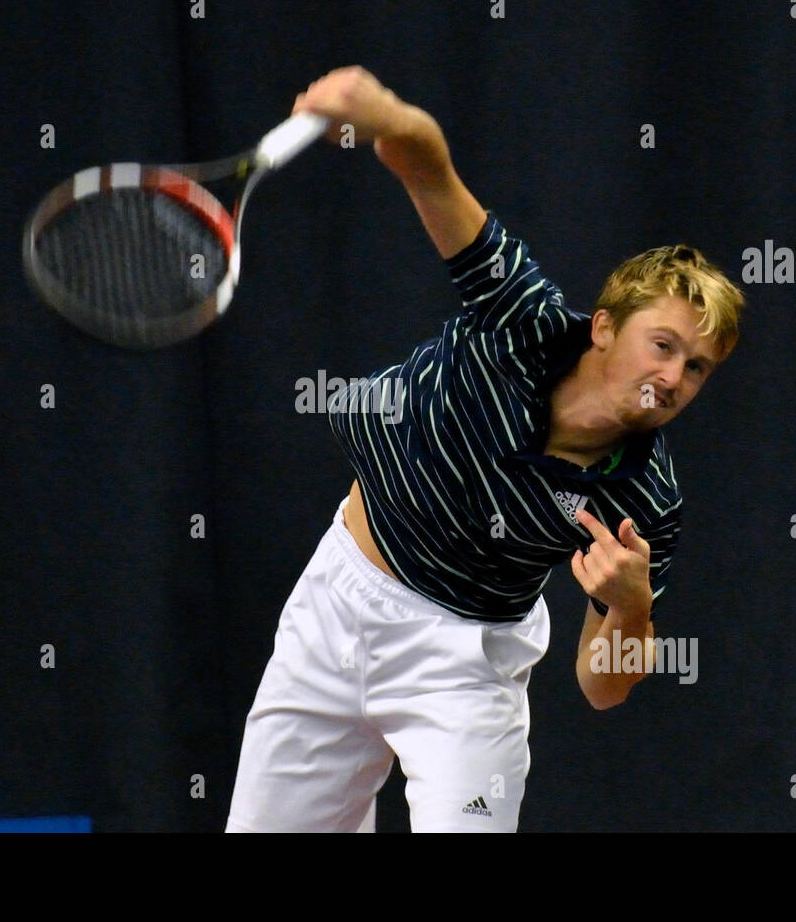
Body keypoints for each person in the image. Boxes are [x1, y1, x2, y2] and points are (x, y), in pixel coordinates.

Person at [225, 67, 745, 832]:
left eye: (696, 367)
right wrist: (384, 114)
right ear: (603, 328)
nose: (673, 377)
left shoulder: (644, 498)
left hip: (466, 667)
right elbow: (429, 168)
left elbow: (605, 687)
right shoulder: (519, 314)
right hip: (336, 604)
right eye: (662, 345)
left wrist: (630, 607)